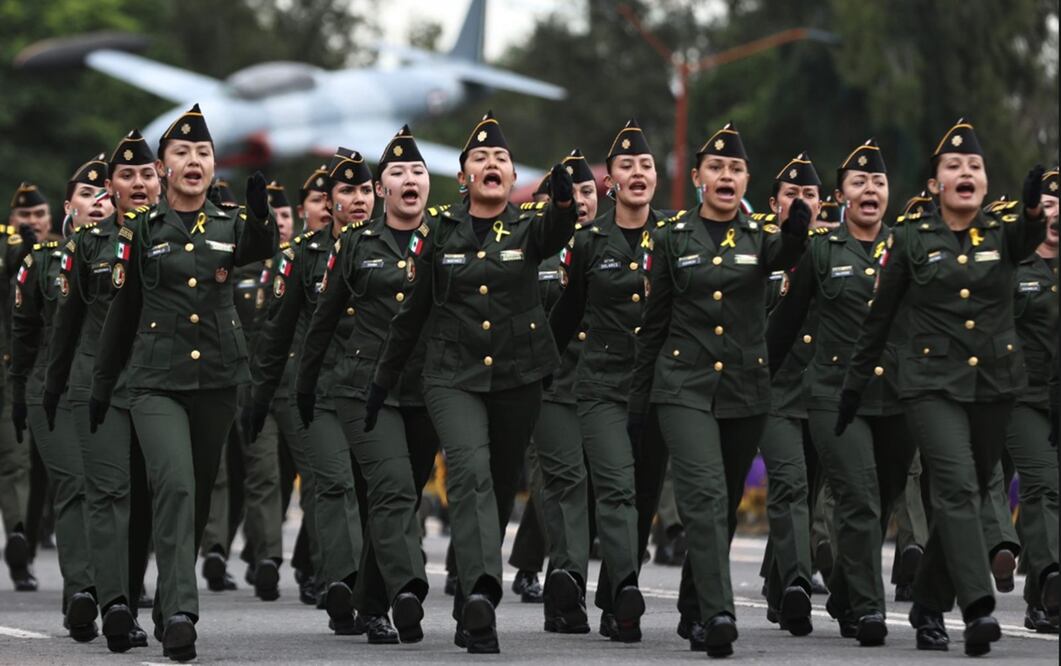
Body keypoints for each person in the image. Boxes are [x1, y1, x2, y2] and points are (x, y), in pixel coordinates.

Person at [365, 111, 576, 653]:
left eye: (500, 159)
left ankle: (467, 602)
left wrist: (564, 200)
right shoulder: (439, 230)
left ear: (510, 178)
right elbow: (411, 313)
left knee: (502, 482)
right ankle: (483, 593)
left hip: (517, 375)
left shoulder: (530, 225)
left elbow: (558, 230)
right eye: (479, 159)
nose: (491, 164)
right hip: (451, 375)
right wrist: (382, 381)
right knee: (470, 472)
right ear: (463, 178)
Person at [839, 119, 1046, 656]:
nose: (965, 172)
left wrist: (1029, 210)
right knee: (954, 489)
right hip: (929, 385)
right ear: (934, 184)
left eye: (974, 166)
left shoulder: (1002, 233)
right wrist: (852, 388)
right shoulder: (910, 240)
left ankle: (928, 605)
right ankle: (976, 607)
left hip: (994, 385)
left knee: (972, 496)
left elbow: (1028, 240)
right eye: (954, 166)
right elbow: (879, 319)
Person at [90, 104, 277, 662]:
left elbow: (259, 248)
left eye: (203, 153)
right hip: (153, 381)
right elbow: (122, 312)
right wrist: (103, 385)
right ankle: (179, 613)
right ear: (164, 168)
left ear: (214, 166)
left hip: (218, 378)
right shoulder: (143, 230)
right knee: (173, 485)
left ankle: (161, 596)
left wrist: (262, 215)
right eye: (182, 153)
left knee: (190, 500)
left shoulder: (230, 223)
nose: (194, 161)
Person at [629, 122, 810, 657]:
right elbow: (654, 324)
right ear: (699, 178)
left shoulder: (761, 239)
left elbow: (785, 256)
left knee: (724, 503)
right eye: (716, 167)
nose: (725, 175)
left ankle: (694, 610)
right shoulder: (670, 237)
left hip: (746, 390)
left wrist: (797, 229)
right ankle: (719, 611)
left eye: (735, 169)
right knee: (703, 497)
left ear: (746, 180)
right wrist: (639, 408)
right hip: (681, 386)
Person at [767, 139, 917, 646]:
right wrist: (753, 377)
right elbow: (785, 323)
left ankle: (848, 595)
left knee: (885, 494)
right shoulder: (820, 251)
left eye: (878, 182)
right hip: (832, 393)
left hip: (897, 396)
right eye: (859, 182)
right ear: (842, 197)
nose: (870, 189)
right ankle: (868, 609)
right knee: (857, 497)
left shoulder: (908, 248)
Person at [295, 124, 442, 644]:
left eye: (417, 171)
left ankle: (371, 604)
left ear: (429, 184)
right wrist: (304, 386)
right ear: (384, 190)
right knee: (392, 488)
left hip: (426, 386)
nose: (408, 179)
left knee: (400, 491)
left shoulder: (447, 237)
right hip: (361, 388)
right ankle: (407, 588)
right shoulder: (358, 244)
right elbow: (323, 318)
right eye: (396, 172)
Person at [250, 147, 392, 639]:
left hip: (380, 390)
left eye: (362, 190)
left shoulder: (401, 247)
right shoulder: (301, 257)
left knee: (383, 493)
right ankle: (345, 584)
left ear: (377, 193)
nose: (355, 199)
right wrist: (259, 397)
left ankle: (377, 595)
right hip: (322, 392)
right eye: (344, 192)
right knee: (333, 485)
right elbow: (276, 332)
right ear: (328, 202)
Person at [44, 131, 161, 652]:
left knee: (152, 498)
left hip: (161, 384)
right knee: (104, 492)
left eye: (146, 173)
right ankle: (108, 601)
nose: (137, 184)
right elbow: (63, 325)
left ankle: (126, 594)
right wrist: (50, 387)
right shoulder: (79, 248)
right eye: (126, 176)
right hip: (95, 385)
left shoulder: (174, 236)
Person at [550, 122, 665, 643]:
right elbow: (566, 314)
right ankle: (624, 594)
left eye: (645, 165)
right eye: (627, 167)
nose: (637, 173)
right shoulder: (588, 242)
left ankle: (615, 589)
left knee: (642, 494)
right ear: (609, 182)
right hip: (600, 384)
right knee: (616, 488)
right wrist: (534, 373)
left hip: (660, 388)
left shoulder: (673, 238)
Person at [12, 154, 114, 641]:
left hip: (113, 388)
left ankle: (118, 588)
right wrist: (16, 395)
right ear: (68, 205)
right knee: (75, 484)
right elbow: (24, 332)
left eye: (103, 194)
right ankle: (82, 590)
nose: (97, 202)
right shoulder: (43, 260)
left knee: (113, 490)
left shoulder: (131, 255)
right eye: (86, 194)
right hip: (49, 393)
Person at [531, 148, 599, 633]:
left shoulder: (620, 244)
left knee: (608, 489)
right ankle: (568, 581)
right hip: (551, 384)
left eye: (588, 190)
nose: (580, 199)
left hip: (606, 383)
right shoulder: (538, 249)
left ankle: (612, 586)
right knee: (565, 483)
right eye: (571, 192)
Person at [756, 152, 824, 637]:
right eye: (792, 196)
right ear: (774, 204)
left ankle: (778, 583)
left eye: (811, 196)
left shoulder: (836, 249)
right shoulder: (757, 246)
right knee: (789, 484)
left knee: (809, 491)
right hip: (771, 388)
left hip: (821, 389)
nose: (801, 204)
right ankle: (798, 581)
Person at [1009, 167, 1058, 633]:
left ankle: (1041, 594)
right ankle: (1049, 584)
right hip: (1022, 396)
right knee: (1042, 487)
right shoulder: (1014, 263)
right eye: (1047, 204)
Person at [1, 183, 37, 591]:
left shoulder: (19, 247)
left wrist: (26, 250)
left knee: (15, 462)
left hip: (11, 371)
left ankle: (18, 538)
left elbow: (17, 263)